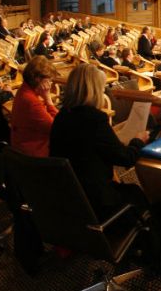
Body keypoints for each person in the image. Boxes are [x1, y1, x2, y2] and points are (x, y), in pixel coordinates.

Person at [49, 64, 148, 222]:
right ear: (94, 91)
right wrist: (138, 140)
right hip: (96, 201)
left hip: (69, 196)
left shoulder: (62, 116)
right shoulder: (95, 119)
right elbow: (125, 158)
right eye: (102, 90)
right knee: (136, 193)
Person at [10, 56, 59, 157]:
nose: (50, 84)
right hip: (34, 155)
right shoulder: (31, 101)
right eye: (49, 80)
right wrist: (48, 98)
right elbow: (56, 127)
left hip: (22, 147)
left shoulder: (24, 89)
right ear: (38, 79)